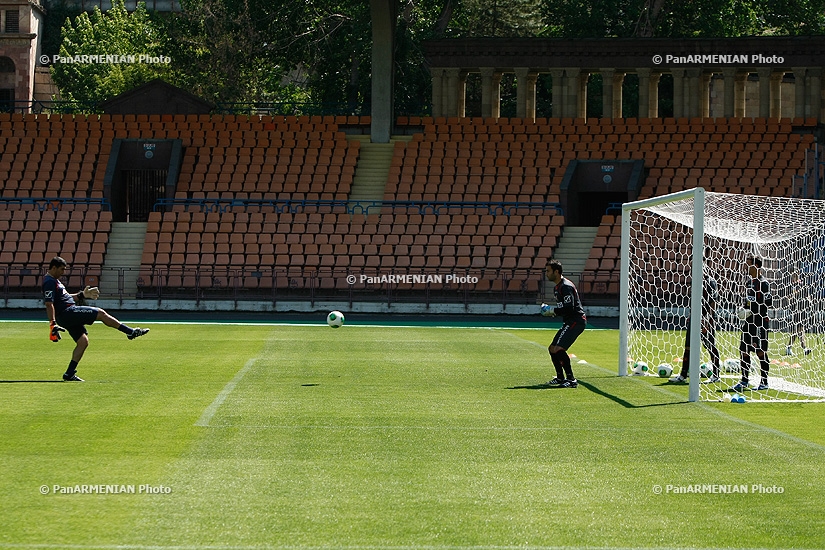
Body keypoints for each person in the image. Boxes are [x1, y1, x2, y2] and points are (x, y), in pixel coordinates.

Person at [43, 256, 150, 382]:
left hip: (67, 314)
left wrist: (82, 295)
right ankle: (129, 332)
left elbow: (64, 298)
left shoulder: (54, 281)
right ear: (53, 267)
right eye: (61, 269)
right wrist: (52, 324)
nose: (63, 272)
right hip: (67, 313)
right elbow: (49, 304)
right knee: (100, 313)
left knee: (83, 342)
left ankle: (69, 373)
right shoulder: (49, 281)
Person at [541, 259, 587, 388]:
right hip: (569, 321)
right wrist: (553, 311)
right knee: (552, 349)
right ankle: (561, 377)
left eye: (548, 271)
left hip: (576, 321)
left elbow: (570, 308)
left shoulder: (566, 286)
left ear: (556, 271)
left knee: (559, 349)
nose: (546, 273)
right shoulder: (558, 287)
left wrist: (552, 310)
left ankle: (571, 379)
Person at [670, 274, 721, 383]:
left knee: (710, 346)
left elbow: (713, 302)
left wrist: (708, 319)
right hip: (694, 318)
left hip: (706, 319)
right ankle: (683, 375)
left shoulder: (710, 282)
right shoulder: (696, 280)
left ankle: (716, 375)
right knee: (688, 346)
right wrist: (691, 314)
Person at [733, 256, 772, 391]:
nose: (746, 267)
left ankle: (764, 382)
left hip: (760, 322)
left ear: (756, 266)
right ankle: (744, 381)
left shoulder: (764, 284)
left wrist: (753, 310)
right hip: (749, 322)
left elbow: (769, 302)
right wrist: (744, 309)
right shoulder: (749, 283)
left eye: (748, 264)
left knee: (760, 351)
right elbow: (748, 301)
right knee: (743, 350)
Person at [785, 269, 811, 356]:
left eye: (796, 274)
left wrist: (809, 301)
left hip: (802, 309)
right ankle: (803, 348)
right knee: (798, 330)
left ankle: (790, 348)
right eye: (793, 274)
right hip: (795, 310)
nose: (795, 275)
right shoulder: (790, 286)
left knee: (798, 330)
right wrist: (794, 296)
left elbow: (807, 295)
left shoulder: (802, 284)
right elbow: (788, 298)